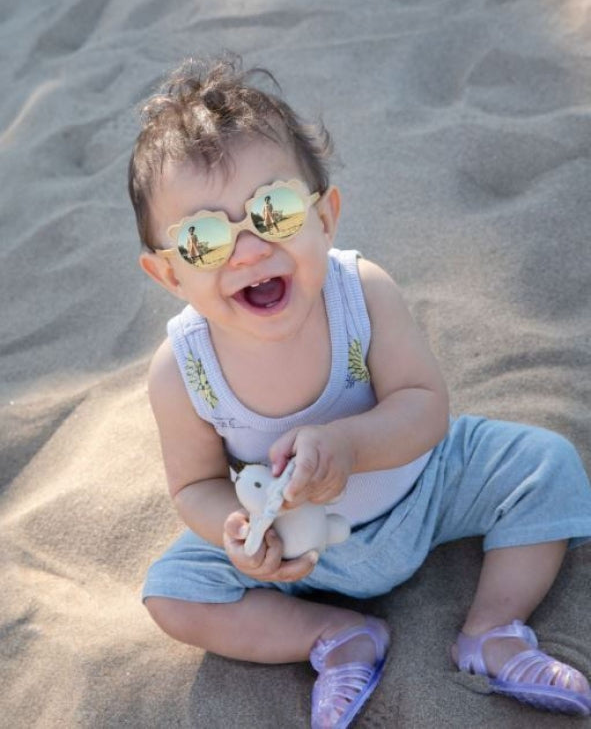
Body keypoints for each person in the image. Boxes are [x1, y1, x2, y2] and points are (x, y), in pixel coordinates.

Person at [128, 56, 591, 728]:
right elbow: (194, 486)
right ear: (169, 275)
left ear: (326, 217)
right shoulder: (181, 370)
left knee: (545, 464)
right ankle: (334, 633)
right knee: (172, 595)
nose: (249, 251)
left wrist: (349, 445)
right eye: (202, 239)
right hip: (306, 545)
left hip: (426, 487)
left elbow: (424, 407)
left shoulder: (360, 293)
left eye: (274, 211)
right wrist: (241, 532)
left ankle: (491, 629)